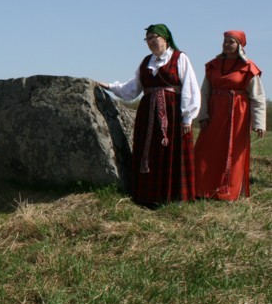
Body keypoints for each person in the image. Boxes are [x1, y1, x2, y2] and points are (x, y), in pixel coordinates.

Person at [99, 24, 200, 207]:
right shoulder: (147, 61)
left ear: (165, 38)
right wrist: (110, 86)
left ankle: (175, 198)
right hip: (148, 115)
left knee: (172, 152)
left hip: (173, 114)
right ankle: (149, 197)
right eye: (148, 39)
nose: (151, 41)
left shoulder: (179, 58)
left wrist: (187, 117)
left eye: (155, 37)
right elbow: (132, 88)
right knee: (150, 153)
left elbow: (190, 88)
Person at [194, 30, 266, 200]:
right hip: (214, 113)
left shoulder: (248, 67)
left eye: (231, 42)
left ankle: (227, 191)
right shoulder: (214, 65)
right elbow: (204, 92)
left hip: (238, 115)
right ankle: (200, 188)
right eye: (225, 41)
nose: (226, 44)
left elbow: (258, 97)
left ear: (239, 45)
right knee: (206, 149)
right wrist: (203, 115)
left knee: (233, 152)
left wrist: (259, 122)